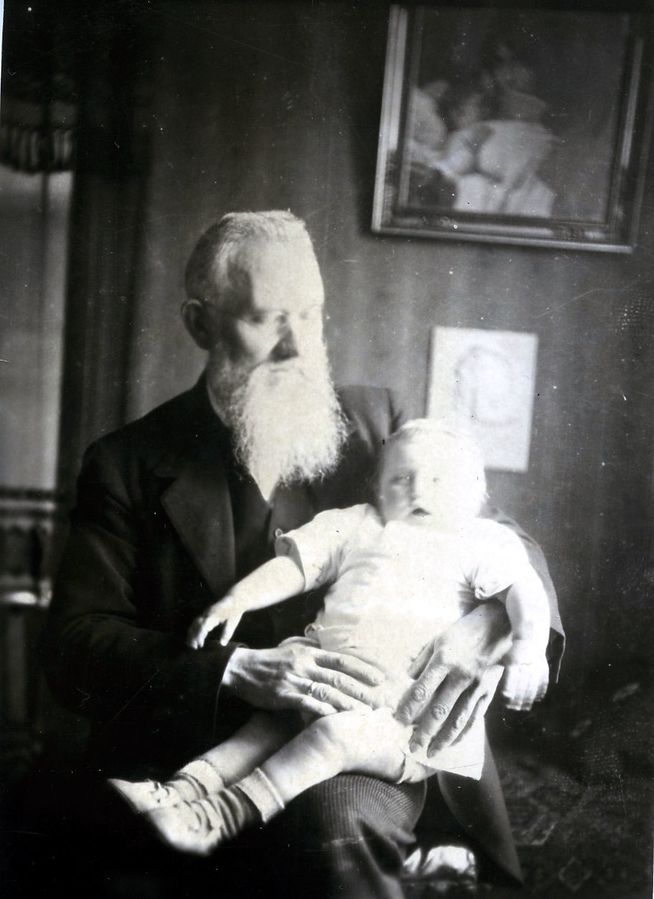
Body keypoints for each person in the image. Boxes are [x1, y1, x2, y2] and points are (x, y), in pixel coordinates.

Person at [43, 210, 564, 899]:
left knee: (333, 819)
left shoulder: (378, 424)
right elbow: (75, 643)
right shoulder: (127, 463)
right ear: (200, 324)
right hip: (200, 736)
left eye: (311, 315)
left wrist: (489, 626)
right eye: (268, 319)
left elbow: (504, 540)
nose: (298, 345)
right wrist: (234, 669)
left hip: (371, 727)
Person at [108, 420, 550, 857]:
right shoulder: (360, 524)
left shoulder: (482, 541)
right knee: (263, 728)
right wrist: (238, 599)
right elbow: (297, 567)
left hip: (404, 715)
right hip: (323, 682)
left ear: (475, 491)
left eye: (438, 479)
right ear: (378, 490)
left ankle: (217, 818)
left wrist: (529, 652)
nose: (418, 490)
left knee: (332, 738)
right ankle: (180, 791)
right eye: (401, 478)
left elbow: (525, 593)